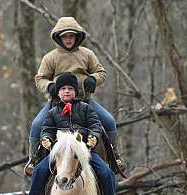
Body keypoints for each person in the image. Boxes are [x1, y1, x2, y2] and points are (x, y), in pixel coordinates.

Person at [24, 16, 125, 175]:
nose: (68, 39)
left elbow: (101, 72)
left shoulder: (87, 54)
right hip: (57, 103)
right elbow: (40, 78)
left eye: (71, 36)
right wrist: (49, 86)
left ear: (77, 36)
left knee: (109, 120)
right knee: (37, 125)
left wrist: (93, 79)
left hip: (84, 101)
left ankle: (115, 158)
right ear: (59, 37)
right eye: (65, 36)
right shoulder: (51, 57)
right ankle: (33, 160)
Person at [28, 73, 116, 195]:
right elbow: (47, 128)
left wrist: (94, 136)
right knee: (40, 170)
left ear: (76, 91)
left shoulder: (85, 108)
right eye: (63, 88)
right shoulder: (53, 112)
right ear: (58, 92)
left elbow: (95, 125)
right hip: (61, 152)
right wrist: (46, 139)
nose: (67, 91)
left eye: (70, 88)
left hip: (83, 151)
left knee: (106, 172)